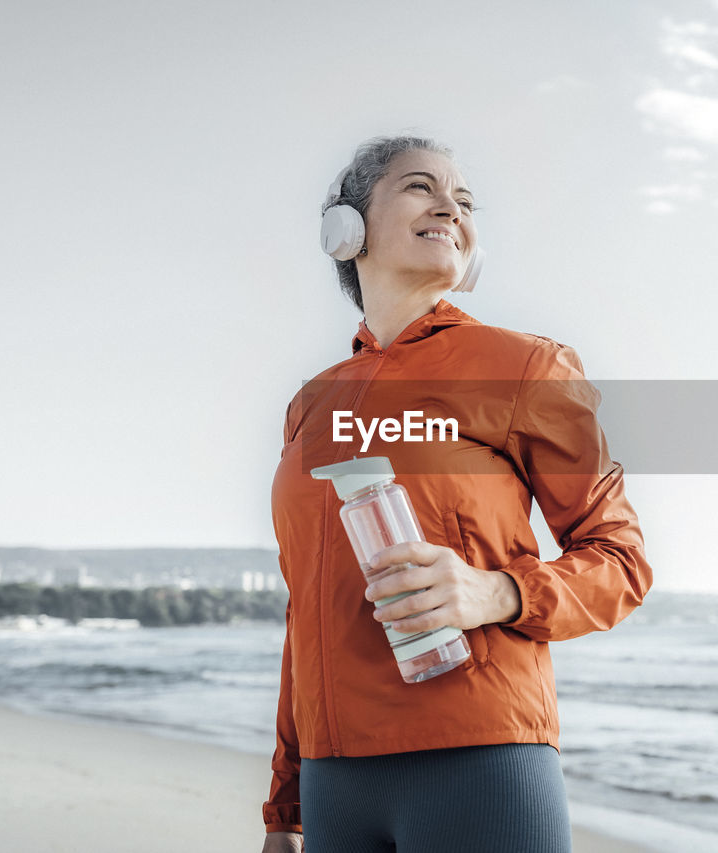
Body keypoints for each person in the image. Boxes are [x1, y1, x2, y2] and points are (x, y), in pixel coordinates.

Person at [261, 135, 653, 853]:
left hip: (478, 761)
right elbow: (305, 608)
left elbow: (621, 563)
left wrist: (493, 592)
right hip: (333, 782)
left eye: (465, 200)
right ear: (345, 229)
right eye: (420, 187)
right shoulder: (310, 406)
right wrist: (284, 804)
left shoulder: (525, 367)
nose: (450, 205)